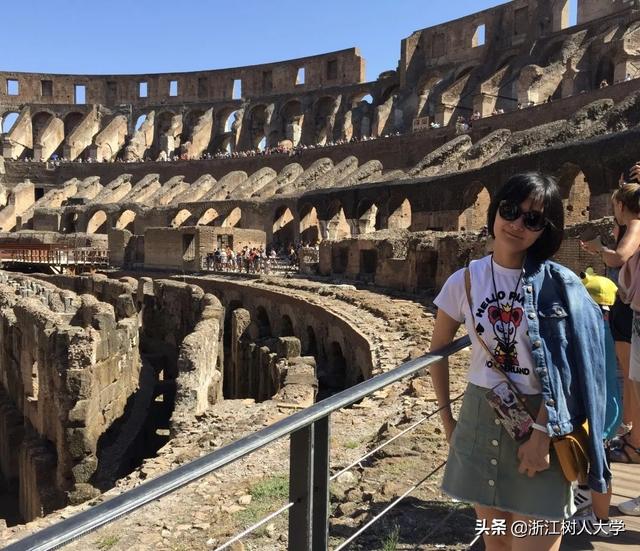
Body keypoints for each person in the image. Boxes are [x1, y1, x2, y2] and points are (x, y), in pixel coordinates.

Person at [429, 172, 609, 550]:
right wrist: (448, 422)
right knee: (496, 542)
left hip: (544, 422)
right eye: (511, 210)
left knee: (535, 540)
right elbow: (437, 352)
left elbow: (570, 365)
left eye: (532, 219)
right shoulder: (462, 281)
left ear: (545, 229)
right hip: (481, 416)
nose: (516, 224)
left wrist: (542, 434)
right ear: (495, 210)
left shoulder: (559, 284)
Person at [582, 169, 640, 464]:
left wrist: (598, 249)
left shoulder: (636, 224)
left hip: (631, 308)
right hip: (626, 304)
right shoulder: (628, 226)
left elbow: (619, 257)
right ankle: (631, 432)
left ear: (620, 204)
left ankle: (633, 435)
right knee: (630, 371)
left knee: (632, 373)